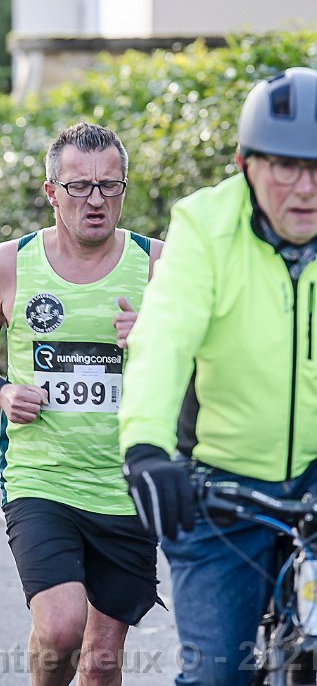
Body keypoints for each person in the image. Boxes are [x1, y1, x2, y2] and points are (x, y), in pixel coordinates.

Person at [119, 67, 317, 686]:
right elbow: (164, 338)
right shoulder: (206, 227)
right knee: (216, 675)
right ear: (245, 164)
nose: (306, 189)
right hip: (221, 487)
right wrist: (145, 447)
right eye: (285, 167)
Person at [0, 122, 164, 686]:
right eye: (79, 186)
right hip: (42, 478)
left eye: (109, 185)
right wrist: (1, 391)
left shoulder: (161, 267)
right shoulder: (9, 265)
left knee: (101, 660)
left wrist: (159, 336)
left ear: (123, 188)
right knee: (61, 629)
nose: (96, 200)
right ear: (51, 192)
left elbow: (212, 359)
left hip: (130, 485)